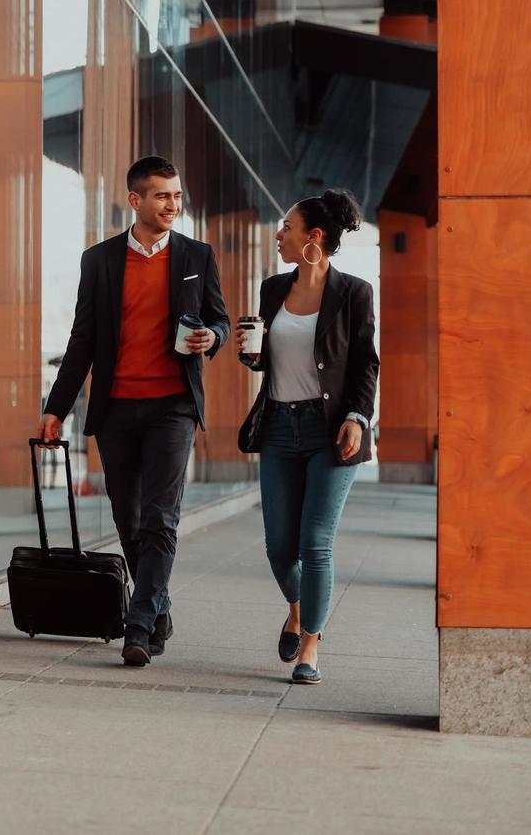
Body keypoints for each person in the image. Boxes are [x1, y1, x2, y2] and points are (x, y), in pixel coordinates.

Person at [37, 157, 230, 667]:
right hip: (117, 407)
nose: (173, 205)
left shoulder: (196, 255)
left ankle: (139, 624)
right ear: (136, 200)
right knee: (128, 518)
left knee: (160, 516)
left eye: (178, 196)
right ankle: (158, 604)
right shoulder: (99, 261)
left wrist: (213, 337)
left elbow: (221, 320)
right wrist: (56, 409)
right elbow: (82, 341)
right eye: (163, 196)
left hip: (174, 406)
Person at [236, 190, 378, 686]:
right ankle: (297, 609)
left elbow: (366, 363)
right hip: (277, 425)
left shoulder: (354, 293)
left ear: (313, 238)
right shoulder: (272, 288)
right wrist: (250, 355)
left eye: (287, 228)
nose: (280, 235)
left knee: (315, 543)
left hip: (331, 431)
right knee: (279, 546)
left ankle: (311, 644)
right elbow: (266, 356)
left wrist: (358, 416)